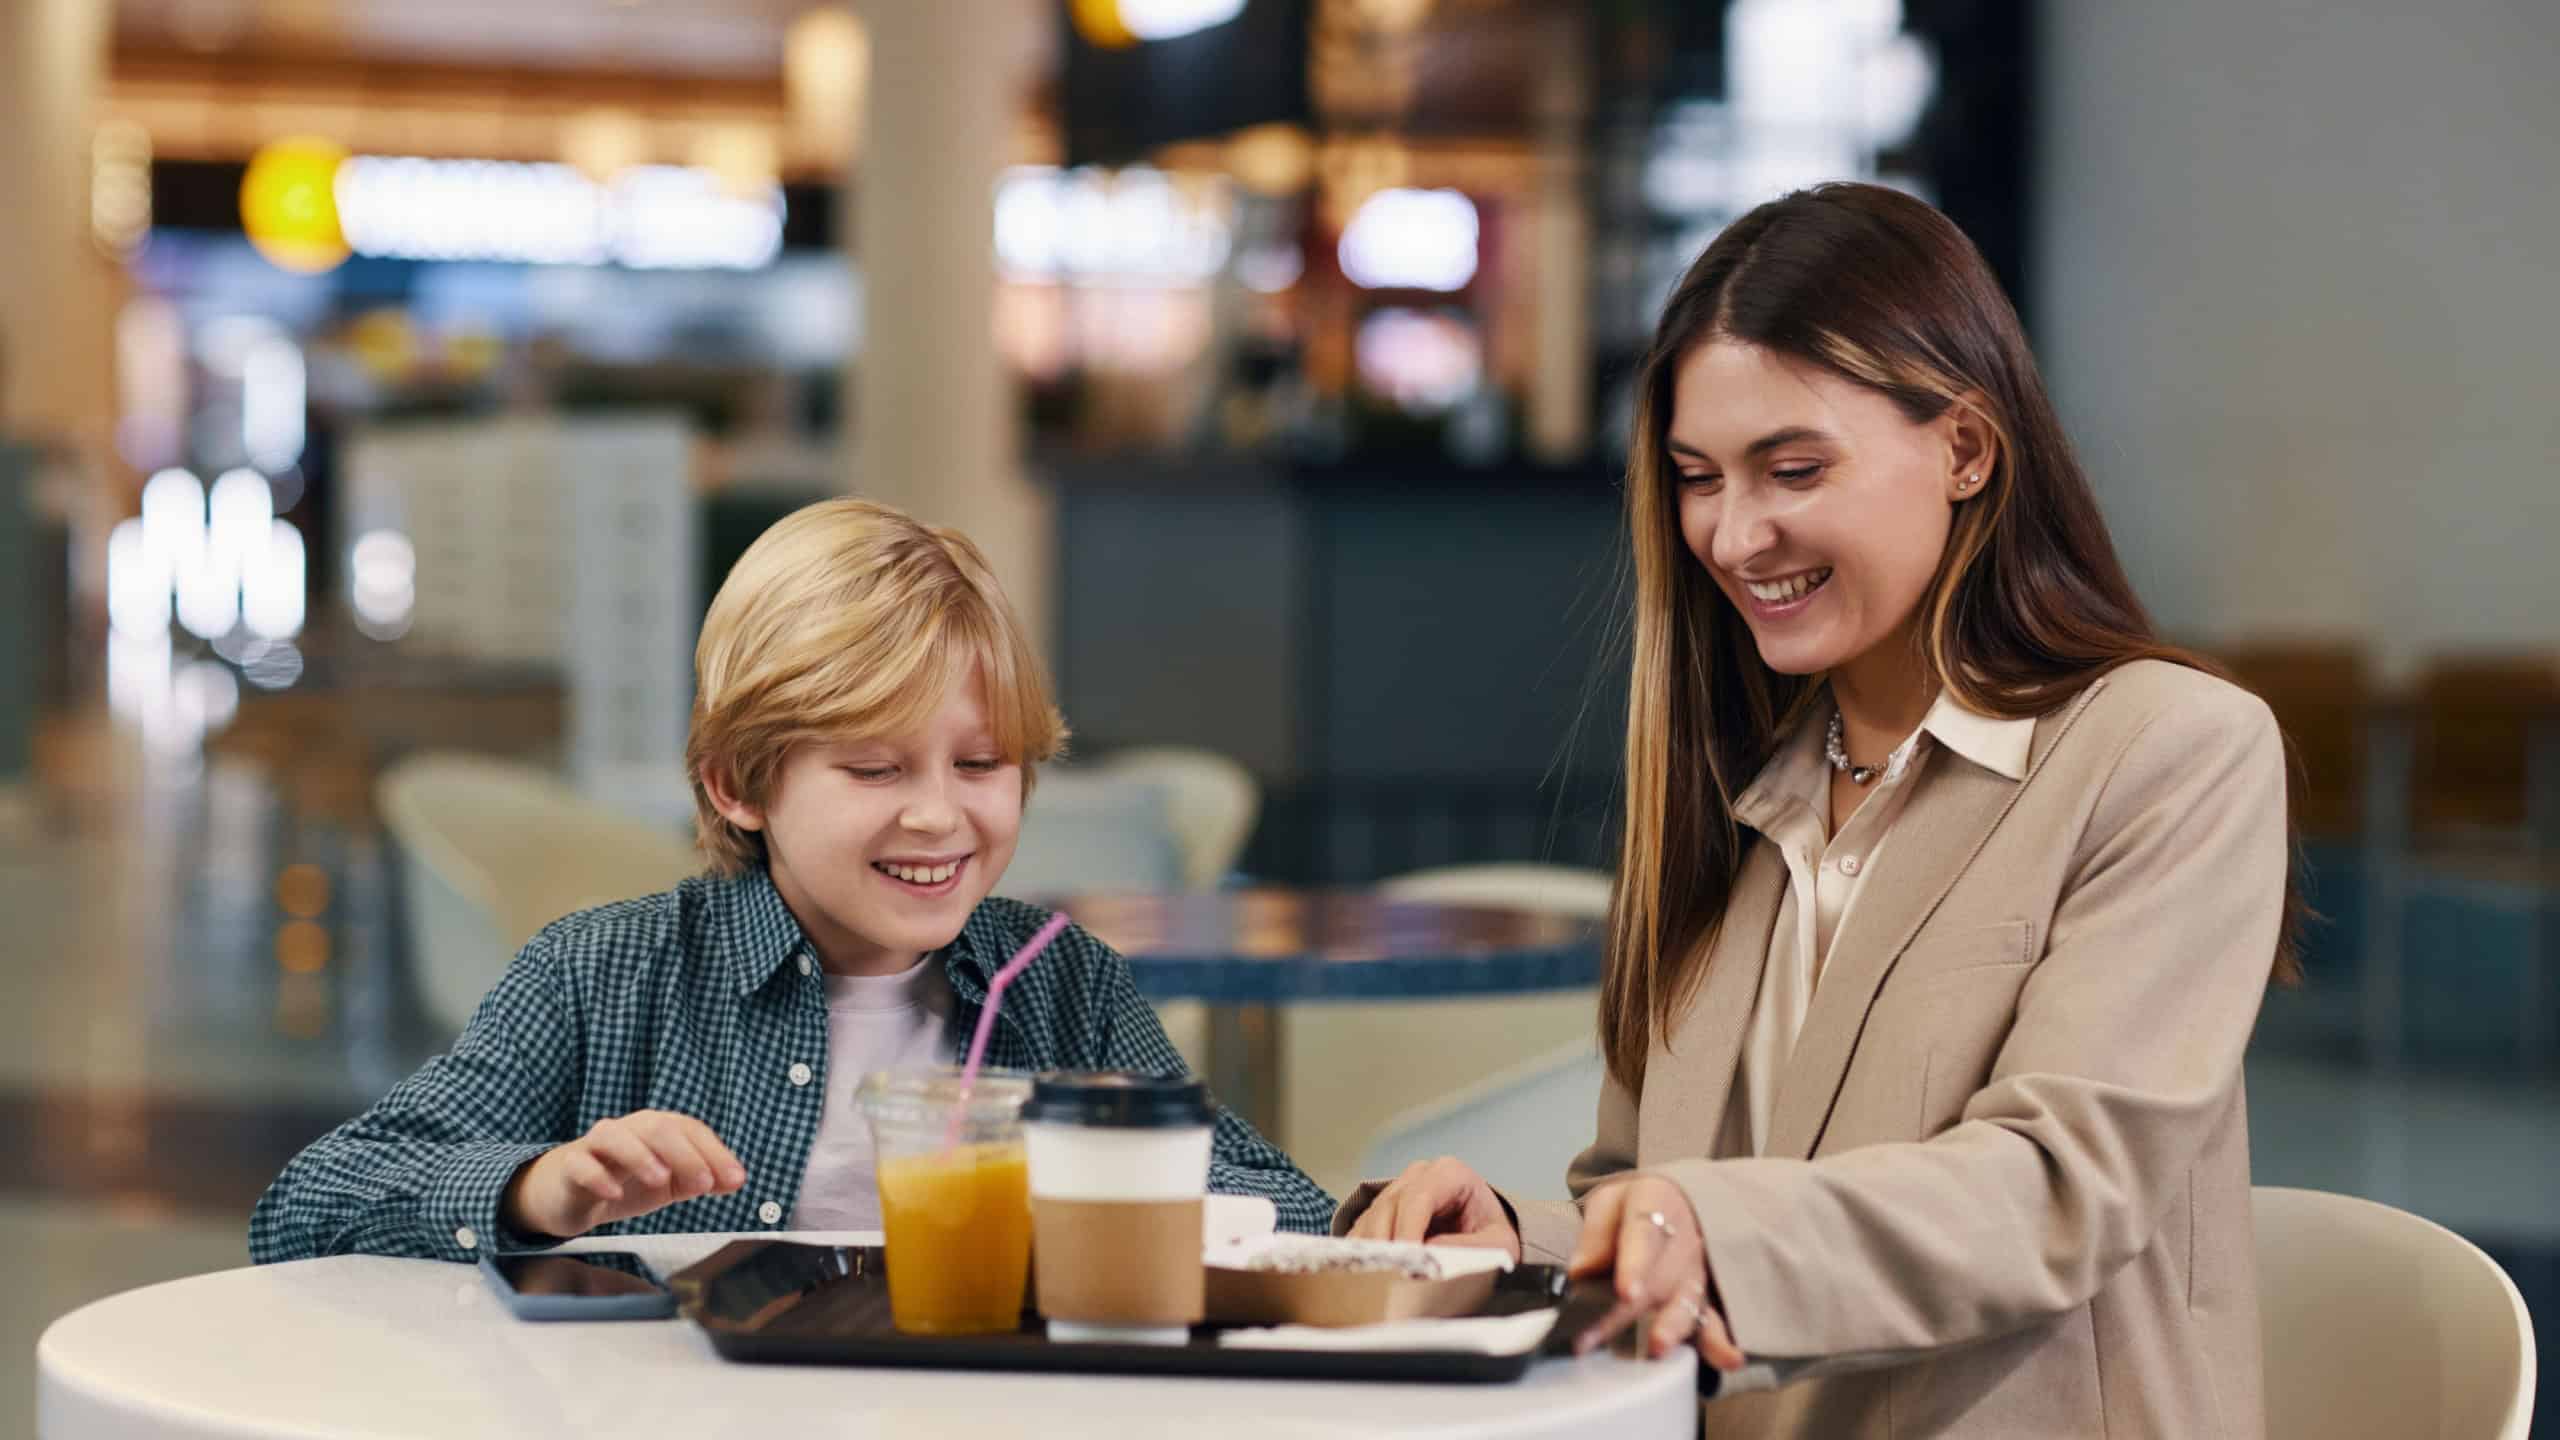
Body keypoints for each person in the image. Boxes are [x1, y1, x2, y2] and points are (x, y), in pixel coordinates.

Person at [1346, 182, 2300, 1438]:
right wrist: (1518, 1239)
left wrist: (1698, 1228)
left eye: (1793, 468)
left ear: (1966, 448)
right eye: (1698, 478)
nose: (1736, 535)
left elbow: (2058, 1186)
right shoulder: (1731, 790)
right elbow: (1650, 1207)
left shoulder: (2169, 753)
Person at [251, 499, 1332, 1263]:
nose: (938, 814)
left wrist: (1386, 1226)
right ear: (738, 785)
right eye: (872, 767)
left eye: (982, 763)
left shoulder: (1063, 988)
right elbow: (306, 1206)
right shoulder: (606, 976)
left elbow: (1257, 1205)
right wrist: (540, 1189)